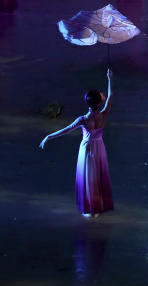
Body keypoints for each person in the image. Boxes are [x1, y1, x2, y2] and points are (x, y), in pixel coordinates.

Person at [39, 70, 115, 217]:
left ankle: (90, 208)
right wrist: (109, 78)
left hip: (87, 149)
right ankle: (97, 208)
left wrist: (48, 136)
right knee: (97, 175)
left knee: (88, 176)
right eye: (100, 95)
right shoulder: (104, 114)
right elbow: (111, 95)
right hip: (99, 147)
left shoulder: (83, 119)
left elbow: (65, 130)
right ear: (99, 101)